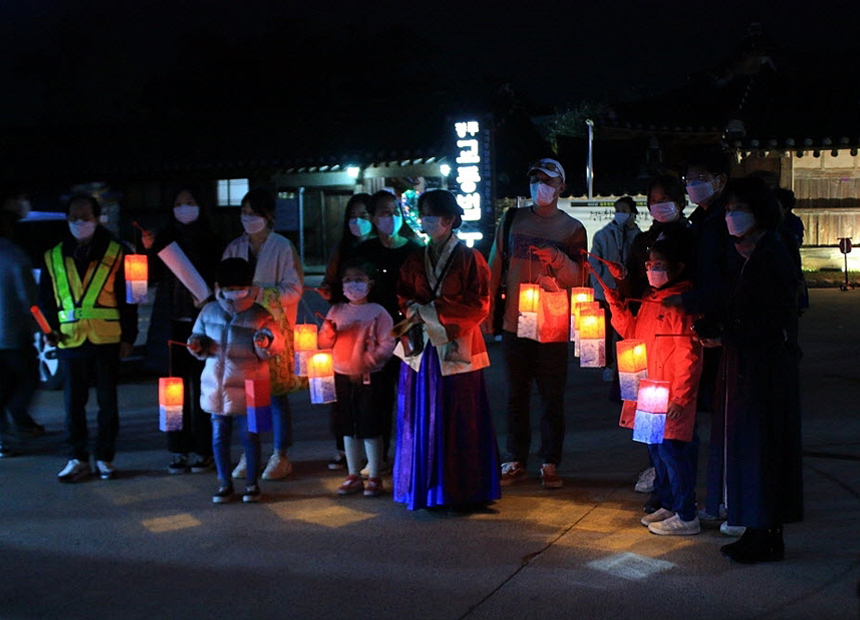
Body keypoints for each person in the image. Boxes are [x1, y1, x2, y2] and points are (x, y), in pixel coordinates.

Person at [698, 177, 803, 563]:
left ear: (759, 211)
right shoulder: (751, 254)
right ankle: (757, 529)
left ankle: (766, 533)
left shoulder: (773, 255)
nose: (731, 216)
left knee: (762, 449)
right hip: (750, 363)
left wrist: (726, 337)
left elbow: (769, 318)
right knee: (750, 449)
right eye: (727, 210)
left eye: (737, 209)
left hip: (765, 368)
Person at [393, 189, 500, 511]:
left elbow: (479, 305)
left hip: (457, 346)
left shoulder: (470, 258)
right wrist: (415, 310)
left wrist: (430, 313)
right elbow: (402, 296)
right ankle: (425, 488)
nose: (425, 221)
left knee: (460, 415)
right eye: (422, 214)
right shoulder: (414, 257)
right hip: (423, 350)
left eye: (431, 215)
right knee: (421, 414)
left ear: (450, 220)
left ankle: (463, 490)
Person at [486, 158, 587, 489]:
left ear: (561, 186)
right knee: (516, 393)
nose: (539, 185)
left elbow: (580, 277)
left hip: (553, 325)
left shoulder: (572, 229)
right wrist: (489, 314)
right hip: (516, 323)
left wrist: (557, 258)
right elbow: (494, 266)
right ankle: (515, 458)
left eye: (547, 180)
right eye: (534, 178)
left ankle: (549, 462)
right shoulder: (512, 219)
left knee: (551, 396)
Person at [605, 238, 703, 535]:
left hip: (669, 394)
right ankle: (670, 504)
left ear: (678, 267)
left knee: (673, 453)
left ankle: (687, 515)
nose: (652, 270)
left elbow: (690, 355)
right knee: (658, 453)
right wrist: (615, 304)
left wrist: (681, 397)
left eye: (658, 265)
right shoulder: (650, 299)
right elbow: (633, 333)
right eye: (649, 265)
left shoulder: (681, 304)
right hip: (650, 391)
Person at [38, 194, 138, 482]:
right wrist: (48, 330)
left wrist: (129, 336)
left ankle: (105, 458)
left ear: (97, 218)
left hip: (107, 338)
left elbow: (128, 300)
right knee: (73, 405)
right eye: (74, 218)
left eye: (86, 217)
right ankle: (77, 458)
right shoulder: (53, 255)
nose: (80, 222)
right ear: (66, 220)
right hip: (69, 340)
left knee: (108, 404)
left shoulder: (117, 252)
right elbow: (46, 300)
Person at [188, 257, 284, 503]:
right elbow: (197, 338)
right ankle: (224, 483)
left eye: (240, 287)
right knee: (219, 436)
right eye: (231, 288)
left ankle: (252, 484)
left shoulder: (260, 314)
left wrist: (266, 342)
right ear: (220, 286)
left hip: (252, 385)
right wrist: (196, 346)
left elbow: (274, 347)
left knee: (250, 435)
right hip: (217, 385)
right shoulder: (209, 311)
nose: (236, 293)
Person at [223, 188, 303, 481]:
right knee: (249, 394)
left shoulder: (282, 247)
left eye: (254, 213)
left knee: (277, 394)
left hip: (274, 329)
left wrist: (260, 295)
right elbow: (223, 286)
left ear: (268, 216)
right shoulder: (234, 247)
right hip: (242, 329)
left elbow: (294, 289)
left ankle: (280, 453)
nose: (248, 219)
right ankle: (250, 451)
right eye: (244, 213)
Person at [142, 187, 222, 474]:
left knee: (204, 389)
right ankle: (177, 449)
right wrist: (149, 250)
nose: (184, 207)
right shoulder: (164, 239)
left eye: (190, 202)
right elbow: (146, 279)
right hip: (171, 325)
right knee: (172, 392)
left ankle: (204, 449)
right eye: (178, 203)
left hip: (203, 325)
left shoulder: (212, 240)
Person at [355, 190, 423, 472]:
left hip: (409, 332)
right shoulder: (364, 252)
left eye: (395, 210)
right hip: (375, 335)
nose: (391, 217)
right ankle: (377, 457)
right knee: (376, 397)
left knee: (412, 394)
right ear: (373, 217)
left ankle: (413, 454)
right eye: (384, 212)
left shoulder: (414, 249)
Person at [317, 259, 395, 497]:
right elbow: (323, 342)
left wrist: (369, 361)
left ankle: (374, 475)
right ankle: (352, 474)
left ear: (370, 284)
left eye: (358, 280)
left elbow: (388, 343)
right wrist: (329, 334)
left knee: (370, 426)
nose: (353, 285)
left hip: (369, 378)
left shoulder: (378, 312)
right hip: (341, 376)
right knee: (347, 428)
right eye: (348, 280)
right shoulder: (337, 310)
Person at [318, 193, 372, 470]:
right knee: (341, 392)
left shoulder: (378, 248)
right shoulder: (343, 248)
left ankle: (375, 451)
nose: (358, 222)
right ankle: (344, 446)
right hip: (344, 324)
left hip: (374, 326)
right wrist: (330, 292)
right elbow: (331, 280)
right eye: (353, 216)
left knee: (372, 395)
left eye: (364, 216)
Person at [0, 189, 43, 457]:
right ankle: (18, 419)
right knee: (26, 378)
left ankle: (5, 435)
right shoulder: (15, 256)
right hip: (12, 335)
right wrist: (41, 327)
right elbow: (30, 299)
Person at [588, 196, 641, 382]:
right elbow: (593, 263)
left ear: (633, 213)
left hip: (627, 293)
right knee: (606, 331)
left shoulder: (638, 236)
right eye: (617, 210)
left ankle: (622, 365)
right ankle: (608, 365)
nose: (620, 214)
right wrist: (599, 286)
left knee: (625, 330)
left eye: (624, 210)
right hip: (606, 290)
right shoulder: (604, 235)